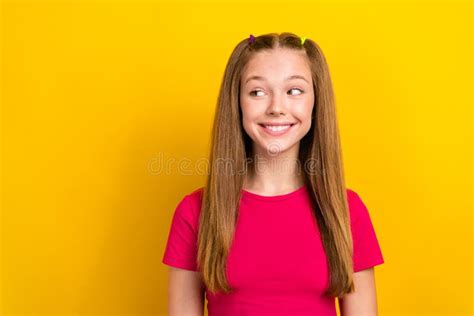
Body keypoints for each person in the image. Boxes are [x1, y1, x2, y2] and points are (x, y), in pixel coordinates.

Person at [162, 32, 385, 316]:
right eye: (257, 92)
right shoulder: (196, 212)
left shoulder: (346, 211)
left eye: (294, 91)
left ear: (316, 102)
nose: (276, 108)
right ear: (237, 102)